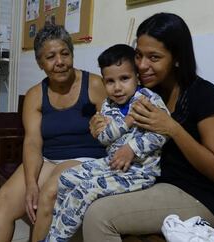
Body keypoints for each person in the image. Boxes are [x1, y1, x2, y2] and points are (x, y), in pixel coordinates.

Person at [83, 12, 214, 242]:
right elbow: (116, 118)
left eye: (154, 57)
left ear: (177, 58)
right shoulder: (148, 92)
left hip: (194, 196)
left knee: (98, 216)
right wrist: (99, 124)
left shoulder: (202, 93)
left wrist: (172, 128)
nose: (142, 65)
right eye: (139, 55)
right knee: (79, 190)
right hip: (150, 181)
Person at [0, 24, 107, 242]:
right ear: (40, 63)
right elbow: (32, 143)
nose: (60, 62)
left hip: (87, 160)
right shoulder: (35, 95)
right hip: (49, 160)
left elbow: (116, 128)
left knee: (52, 189)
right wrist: (30, 183)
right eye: (50, 57)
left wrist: (102, 126)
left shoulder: (95, 84)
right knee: (3, 201)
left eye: (65, 54)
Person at [40, 44, 170, 242]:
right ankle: (56, 234)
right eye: (110, 81)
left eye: (124, 79)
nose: (117, 87)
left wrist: (131, 148)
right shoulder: (108, 105)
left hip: (138, 172)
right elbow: (104, 137)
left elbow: (162, 133)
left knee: (85, 191)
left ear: (137, 77)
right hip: (110, 165)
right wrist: (127, 122)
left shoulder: (148, 100)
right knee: (65, 179)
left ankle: (56, 239)